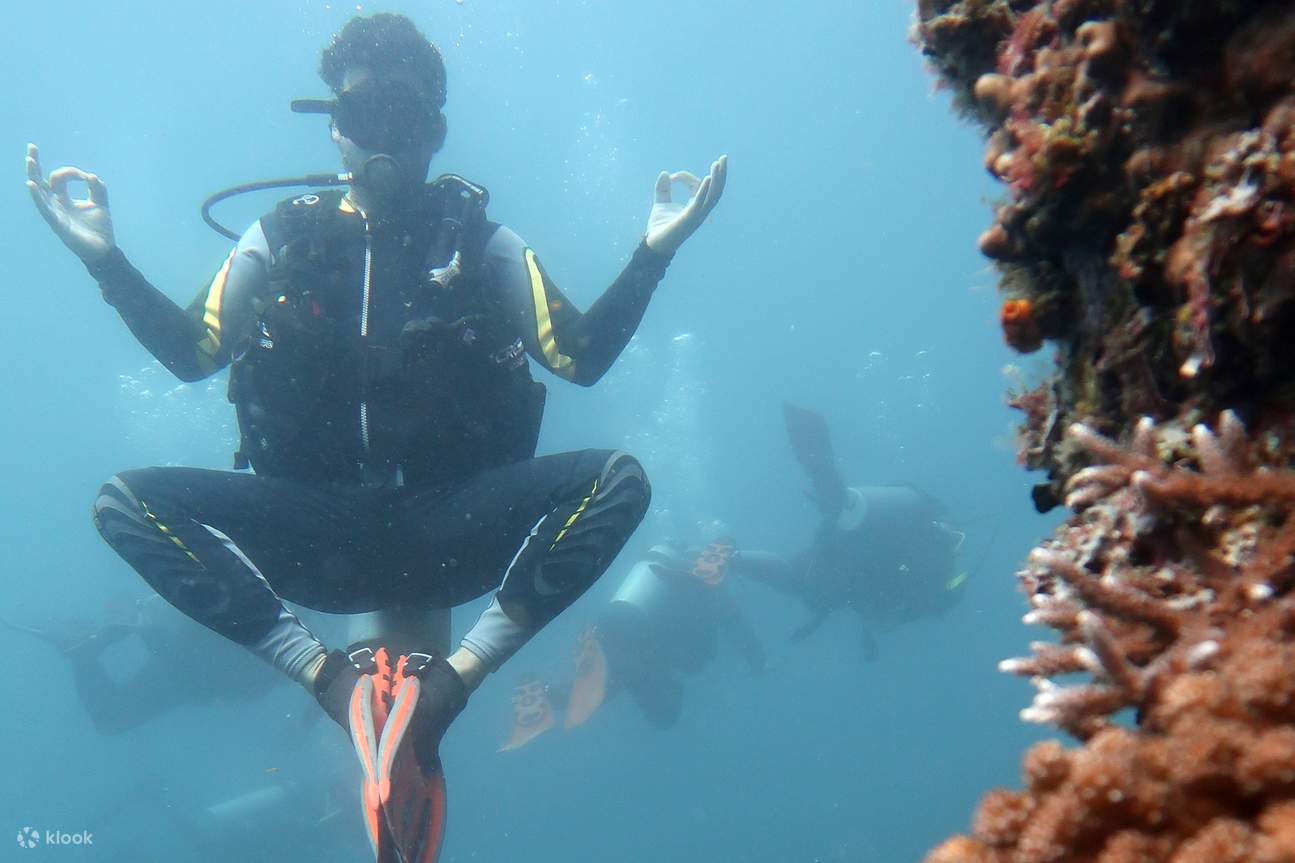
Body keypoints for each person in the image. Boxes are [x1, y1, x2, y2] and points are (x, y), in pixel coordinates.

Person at [26, 12, 726, 861]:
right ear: (333, 126)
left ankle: (443, 690)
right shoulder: (280, 235)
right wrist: (105, 259)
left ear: (435, 134)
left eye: (405, 121)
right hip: (312, 531)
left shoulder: (481, 239)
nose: (383, 142)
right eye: (363, 118)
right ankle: (334, 683)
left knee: (619, 478)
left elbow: (576, 356)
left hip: (451, 530)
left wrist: (653, 251)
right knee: (122, 502)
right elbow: (192, 352)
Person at [743, 404, 965, 659]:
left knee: (808, 575)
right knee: (807, 577)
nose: (883, 626)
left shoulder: (905, 587)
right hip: (873, 542)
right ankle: (737, 556)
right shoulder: (927, 585)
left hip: (855, 542)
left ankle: (735, 556)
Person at [501, 539, 768, 750]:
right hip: (630, 626)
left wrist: (753, 652)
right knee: (614, 683)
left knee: (614, 682)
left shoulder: (650, 667)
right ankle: (546, 693)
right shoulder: (704, 594)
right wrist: (753, 653)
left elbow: (729, 625)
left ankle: (546, 693)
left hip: (625, 622)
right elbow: (733, 623)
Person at [3, 594, 282, 736]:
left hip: (195, 672)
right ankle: (96, 639)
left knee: (110, 720)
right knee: (110, 720)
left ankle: (88, 643)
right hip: (202, 664)